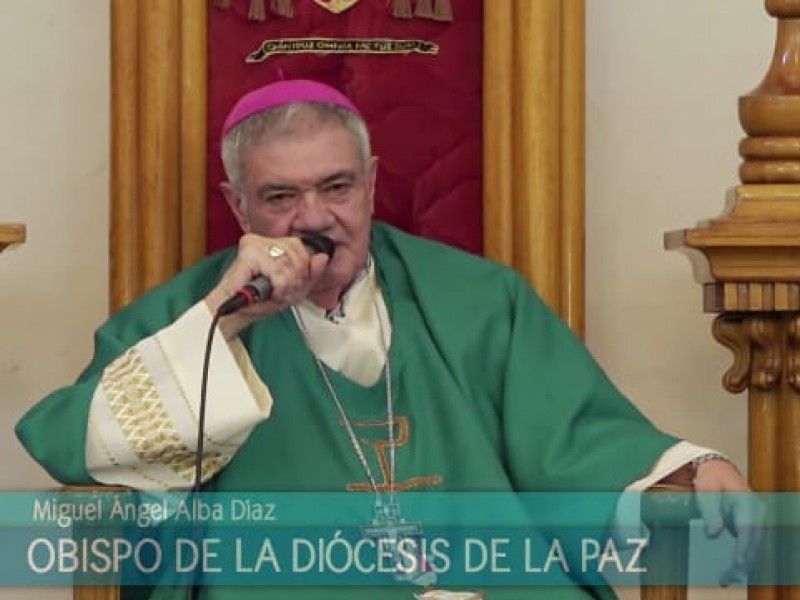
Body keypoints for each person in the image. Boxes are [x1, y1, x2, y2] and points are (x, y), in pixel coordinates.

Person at [16, 79, 760, 599]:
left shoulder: (478, 299)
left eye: (337, 187)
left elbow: (574, 433)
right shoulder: (194, 312)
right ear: (235, 203)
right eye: (280, 197)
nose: (314, 217)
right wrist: (229, 316)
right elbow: (75, 437)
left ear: (371, 183)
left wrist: (680, 468)